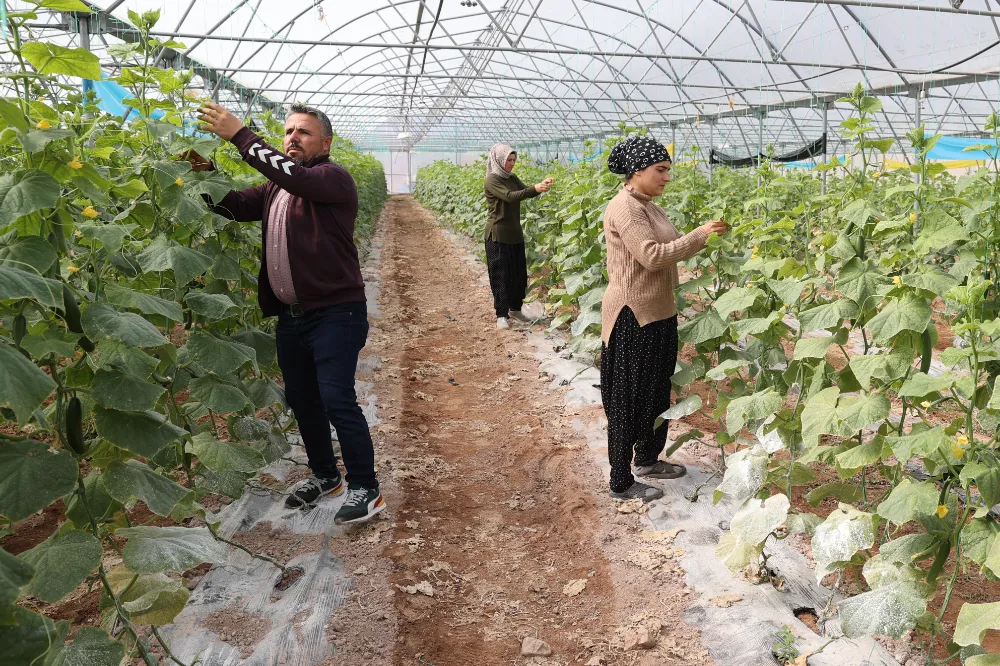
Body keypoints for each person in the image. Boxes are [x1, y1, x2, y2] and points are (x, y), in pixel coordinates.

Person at [189, 101, 384, 525]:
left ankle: (365, 487)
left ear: (325, 143)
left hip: (336, 312)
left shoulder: (331, 179)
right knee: (302, 398)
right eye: (288, 132)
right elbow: (235, 206)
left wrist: (241, 135)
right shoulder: (277, 188)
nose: (293, 138)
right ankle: (325, 476)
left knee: (336, 397)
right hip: (292, 316)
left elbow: (294, 177)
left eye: (304, 132)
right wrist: (196, 173)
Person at [600, 135, 728, 503]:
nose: (666, 177)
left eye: (668, 170)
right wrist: (700, 235)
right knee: (628, 397)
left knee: (656, 391)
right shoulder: (625, 208)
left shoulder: (650, 206)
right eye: (660, 170)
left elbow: (669, 250)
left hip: (659, 313)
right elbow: (652, 256)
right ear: (636, 170)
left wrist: (703, 239)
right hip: (632, 316)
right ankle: (621, 480)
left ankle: (648, 459)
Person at [483, 144, 554, 329]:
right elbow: (510, 196)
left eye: (514, 160)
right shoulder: (492, 179)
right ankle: (501, 315)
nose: (512, 163)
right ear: (499, 160)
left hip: (514, 233)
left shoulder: (512, 177)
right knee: (501, 275)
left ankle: (515, 309)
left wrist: (541, 186)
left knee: (518, 275)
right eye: (509, 160)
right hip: (497, 234)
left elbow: (525, 191)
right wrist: (535, 188)